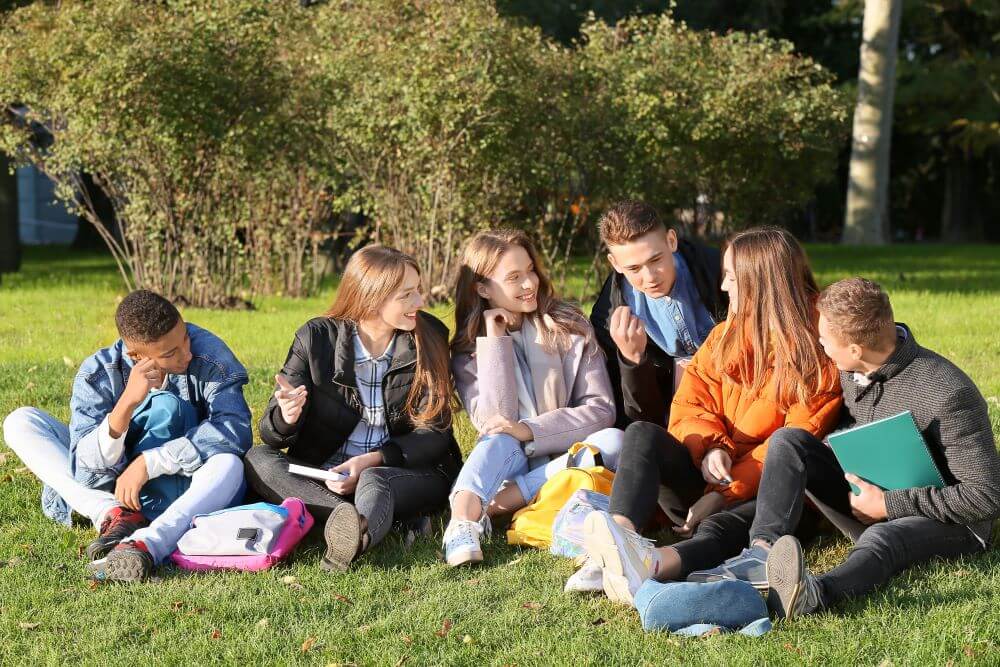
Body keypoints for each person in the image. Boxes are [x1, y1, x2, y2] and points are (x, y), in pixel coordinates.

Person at [580, 227, 843, 604]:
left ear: (762, 283)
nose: (723, 288)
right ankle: (618, 539)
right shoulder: (725, 335)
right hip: (710, 477)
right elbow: (689, 406)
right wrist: (709, 449)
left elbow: (790, 446)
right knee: (641, 434)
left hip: (772, 495)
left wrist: (722, 494)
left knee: (722, 524)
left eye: (732, 278)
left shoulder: (817, 351)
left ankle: (649, 565)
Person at [758, 278, 1000, 617]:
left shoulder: (947, 392)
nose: (820, 344)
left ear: (855, 349)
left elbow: (985, 497)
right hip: (870, 498)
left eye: (825, 339)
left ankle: (814, 596)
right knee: (788, 442)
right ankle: (759, 554)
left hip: (950, 521)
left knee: (882, 539)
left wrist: (889, 503)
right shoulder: (850, 369)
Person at [2, 290, 251, 582]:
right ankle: (114, 514)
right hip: (111, 487)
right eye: (170, 353)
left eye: (184, 337)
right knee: (22, 421)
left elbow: (235, 430)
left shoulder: (209, 354)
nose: (187, 353)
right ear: (136, 356)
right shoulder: (98, 371)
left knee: (229, 464)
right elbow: (85, 474)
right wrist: (126, 405)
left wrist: (150, 462)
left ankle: (146, 543)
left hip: (188, 483)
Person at [244, 245, 462, 571]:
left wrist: (373, 459)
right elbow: (271, 435)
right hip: (324, 474)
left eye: (417, 291)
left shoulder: (429, 336)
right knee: (257, 458)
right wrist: (286, 417)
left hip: (401, 470)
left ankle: (350, 534)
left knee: (375, 480)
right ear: (372, 298)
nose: (420, 302)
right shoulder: (316, 339)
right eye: (407, 295)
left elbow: (434, 435)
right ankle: (346, 518)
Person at [443, 229, 618, 567]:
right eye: (514, 277)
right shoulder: (469, 351)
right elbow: (494, 418)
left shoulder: (570, 326)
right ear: (483, 289)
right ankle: (463, 521)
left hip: (570, 457)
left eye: (530, 270)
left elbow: (601, 410)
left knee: (614, 440)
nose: (529, 284)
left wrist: (528, 430)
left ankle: (504, 503)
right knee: (496, 441)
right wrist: (494, 338)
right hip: (510, 462)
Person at [590, 200, 726, 429]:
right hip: (675, 422)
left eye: (656, 260)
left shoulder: (720, 271)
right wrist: (632, 360)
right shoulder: (607, 319)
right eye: (634, 268)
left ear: (671, 241)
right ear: (615, 263)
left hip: (739, 401)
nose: (650, 277)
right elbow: (641, 420)